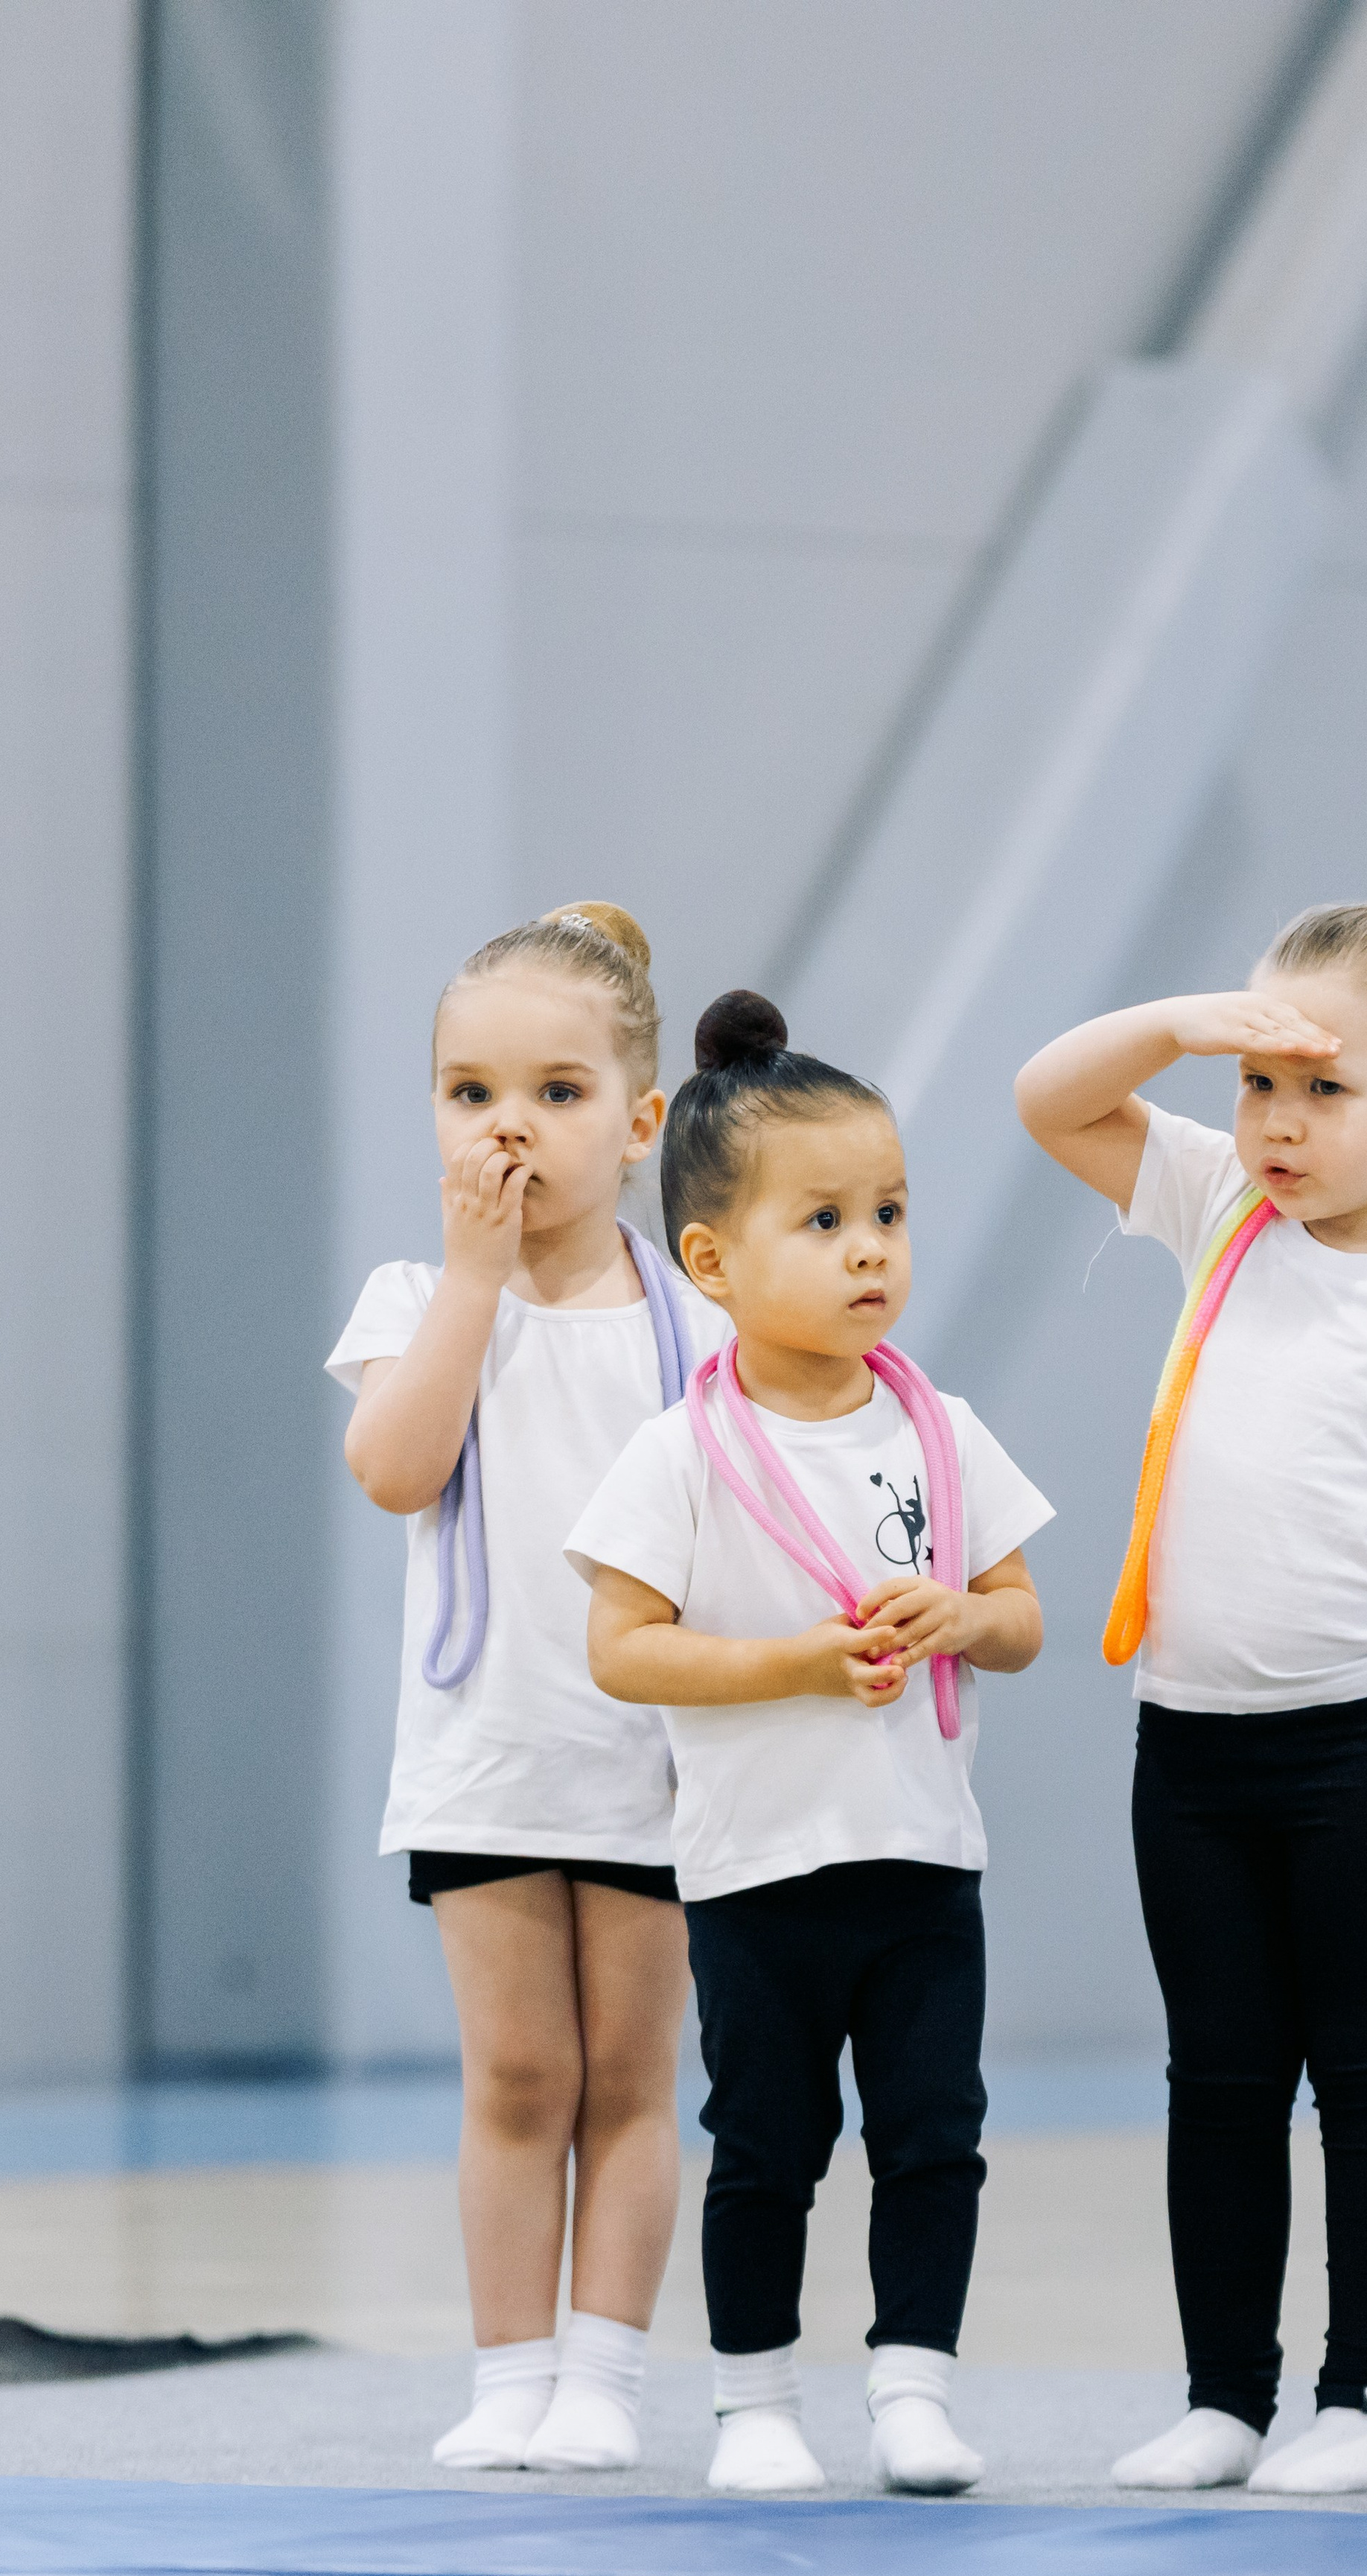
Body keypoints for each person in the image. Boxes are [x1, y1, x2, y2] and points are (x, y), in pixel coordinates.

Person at [1015, 868, 1367, 2496]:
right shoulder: (1215, 1210)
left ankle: (1366, 2402)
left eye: (1322, 1089)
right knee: (1216, 2079)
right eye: (1255, 1082)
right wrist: (1183, 1023)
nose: (1273, 1118)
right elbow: (1049, 1095)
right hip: (1190, 1742)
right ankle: (1221, 2395)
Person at [566, 992, 1052, 2496]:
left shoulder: (937, 1427)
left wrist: (958, 1622)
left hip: (918, 1856)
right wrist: (793, 1659)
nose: (868, 1249)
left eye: (887, 1213)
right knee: (766, 2145)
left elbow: (1024, 1616)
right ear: (710, 1262)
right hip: (756, 1870)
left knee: (930, 2139)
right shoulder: (681, 1452)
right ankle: (754, 2405)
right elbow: (621, 1649)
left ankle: (912, 2391)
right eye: (826, 1218)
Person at [327, 904, 729, 2474]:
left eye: (558, 1095)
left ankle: (604, 2379)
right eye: (472, 1092)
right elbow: (394, 1468)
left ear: (637, 1126)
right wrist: (472, 1282)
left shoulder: (702, 1325)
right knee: (515, 2075)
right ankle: (506, 2373)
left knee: (629, 2079)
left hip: (657, 1760)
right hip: (487, 1755)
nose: (512, 1128)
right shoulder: (409, 1303)